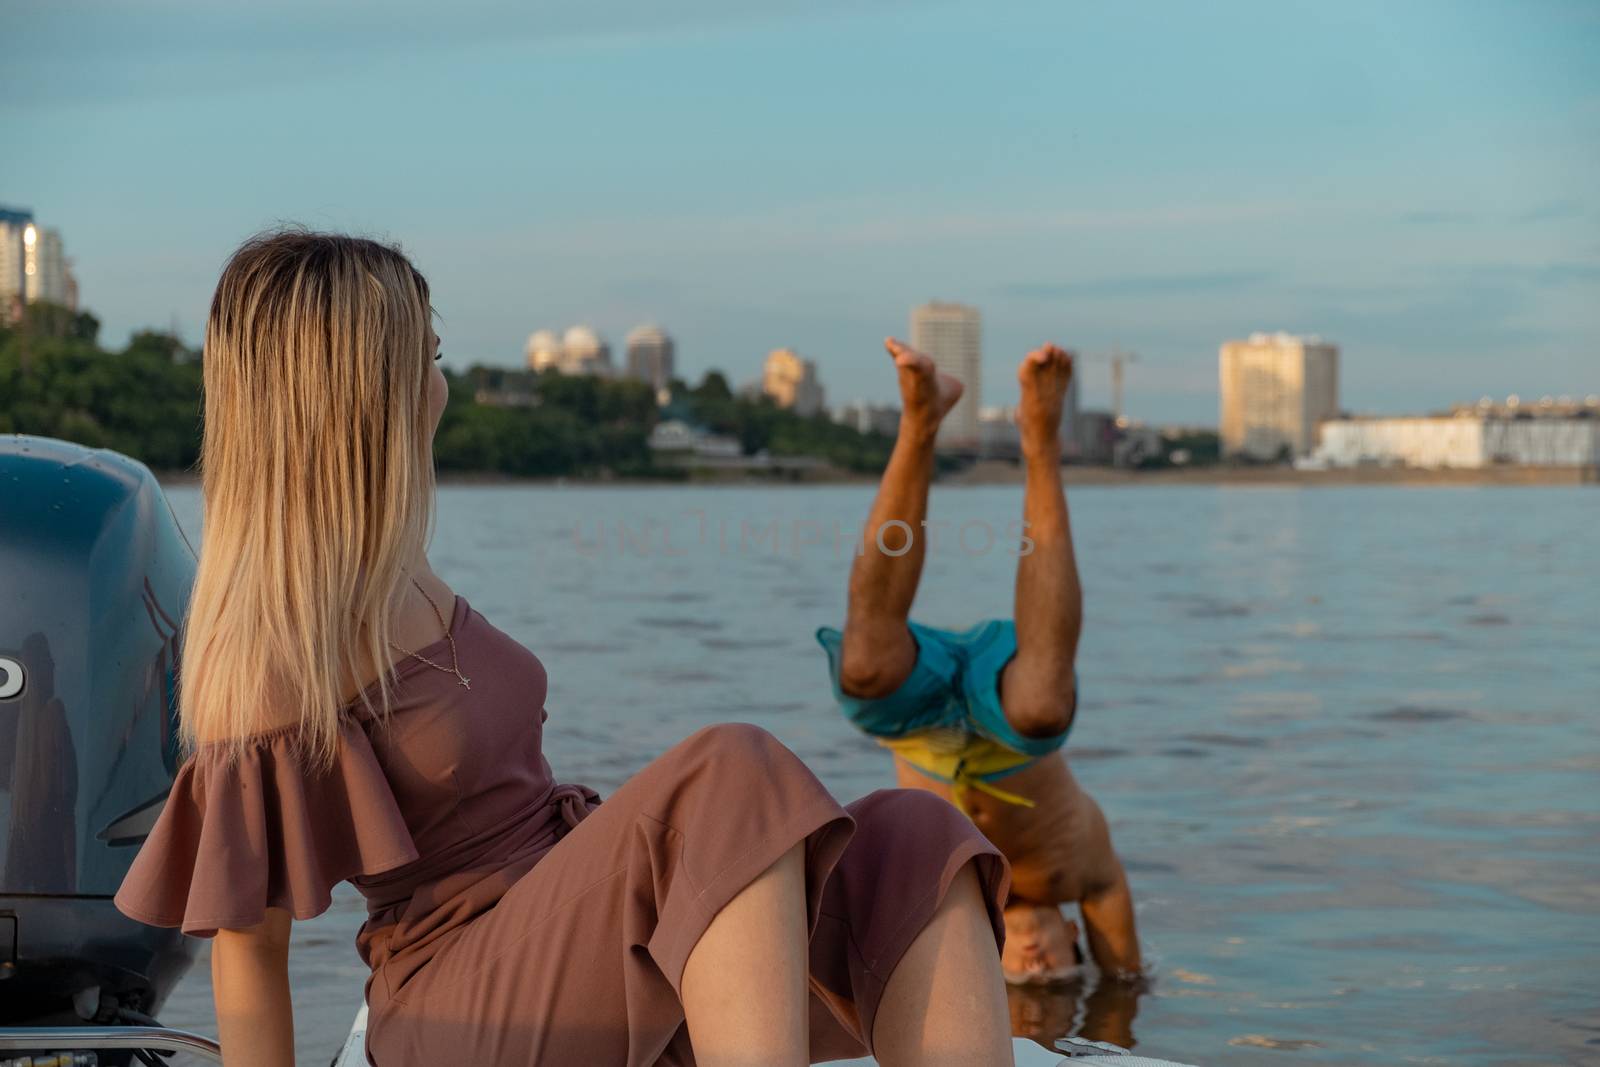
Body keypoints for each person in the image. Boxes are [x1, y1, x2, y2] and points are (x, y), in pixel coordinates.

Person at [114, 231, 1018, 1067]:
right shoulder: (273, 642)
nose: (443, 385)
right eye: (427, 359)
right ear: (361, 383)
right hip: (455, 1006)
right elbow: (249, 949)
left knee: (916, 841)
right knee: (731, 771)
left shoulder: (399, 563)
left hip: (565, 940)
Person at [817, 339, 1142, 986]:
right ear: (1075, 934)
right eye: (1054, 963)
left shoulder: (939, 903)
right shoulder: (1079, 871)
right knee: (1043, 706)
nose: (1036, 962)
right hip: (1011, 716)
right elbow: (1127, 986)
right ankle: (1040, 441)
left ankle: (921, 421)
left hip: (924, 728)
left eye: (1021, 973)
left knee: (864, 666)